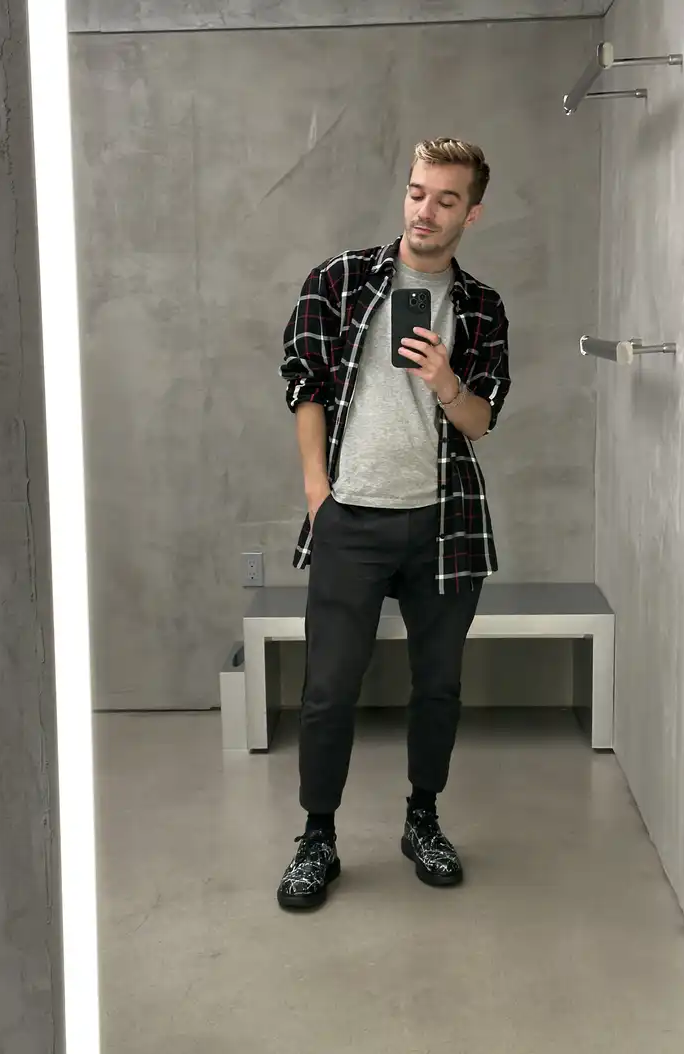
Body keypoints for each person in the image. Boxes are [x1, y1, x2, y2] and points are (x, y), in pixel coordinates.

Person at [276, 138, 511, 911]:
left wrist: (444, 380)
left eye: (446, 199)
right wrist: (319, 494)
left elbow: (480, 421)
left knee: (438, 685)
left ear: (471, 213)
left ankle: (423, 818)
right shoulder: (338, 281)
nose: (425, 211)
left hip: (445, 522)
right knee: (328, 689)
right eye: (417, 192)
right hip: (350, 515)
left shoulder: (481, 307)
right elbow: (305, 386)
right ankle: (317, 837)